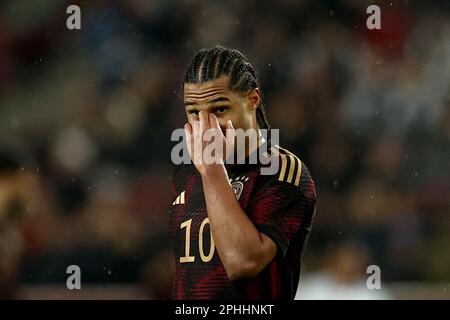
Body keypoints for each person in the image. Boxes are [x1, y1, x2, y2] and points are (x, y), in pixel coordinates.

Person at [169, 46, 316, 299]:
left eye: (219, 110)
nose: (207, 127)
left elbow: (243, 263)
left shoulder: (281, 171)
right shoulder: (188, 176)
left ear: (253, 99)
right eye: (194, 112)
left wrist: (213, 170)